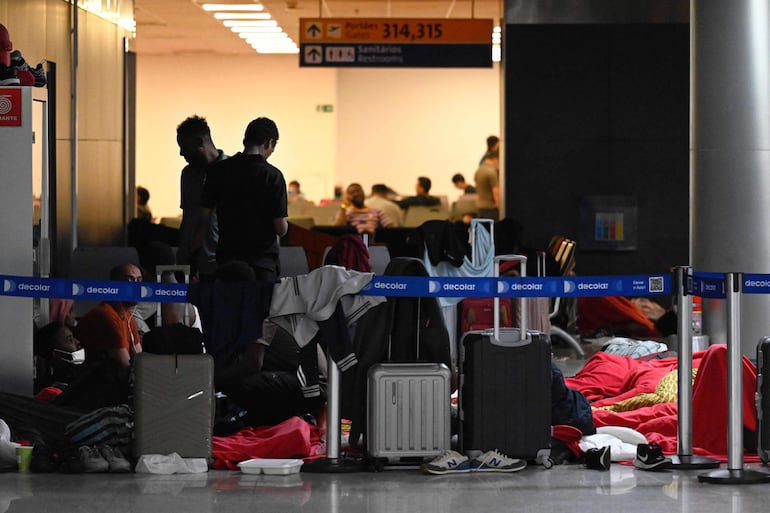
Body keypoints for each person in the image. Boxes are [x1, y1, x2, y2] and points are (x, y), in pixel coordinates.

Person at [198, 117, 288, 281]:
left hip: (228, 260)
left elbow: (204, 215)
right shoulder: (273, 176)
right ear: (269, 143)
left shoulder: (218, 171)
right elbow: (280, 228)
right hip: (262, 263)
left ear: (245, 140)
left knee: (228, 305)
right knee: (262, 305)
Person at [176, 115, 227, 281]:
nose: (181, 153)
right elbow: (187, 216)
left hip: (223, 262)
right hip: (194, 262)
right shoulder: (188, 174)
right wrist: (182, 255)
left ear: (200, 143)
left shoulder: (232, 171)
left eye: (185, 147)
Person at [74, 263, 143, 368]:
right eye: (129, 280)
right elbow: (125, 366)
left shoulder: (128, 316)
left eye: (139, 280)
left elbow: (140, 360)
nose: (136, 286)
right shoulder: (105, 315)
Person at [474, 147, 500, 220]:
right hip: (491, 209)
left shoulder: (479, 170)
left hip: (481, 207)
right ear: (496, 159)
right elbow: (496, 191)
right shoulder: (491, 172)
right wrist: (499, 206)